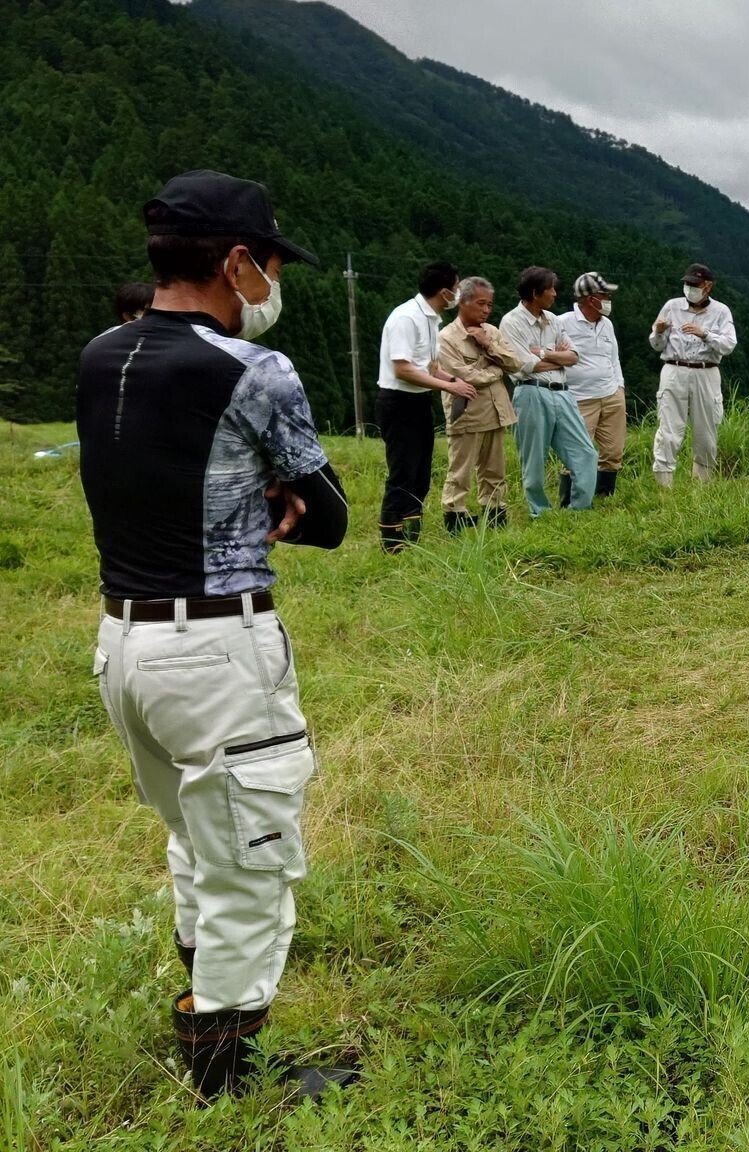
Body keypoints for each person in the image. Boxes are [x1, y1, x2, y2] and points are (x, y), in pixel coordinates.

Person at [75, 170, 355, 1100]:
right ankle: (230, 1078)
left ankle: (201, 1015)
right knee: (251, 861)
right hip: (216, 644)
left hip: (124, 643)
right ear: (236, 262)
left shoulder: (101, 354)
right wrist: (281, 496)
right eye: (271, 264)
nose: (274, 284)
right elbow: (330, 513)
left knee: (196, 839)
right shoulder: (250, 370)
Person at [376, 263, 476, 552]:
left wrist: (453, 379)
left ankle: (412, 538)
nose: (458, 294)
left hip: (419, 401)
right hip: (397, 403)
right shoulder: (406, 317)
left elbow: (428, 367)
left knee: (420, 473)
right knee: (402, 472)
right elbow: (402, 369)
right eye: (457, 289)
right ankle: (392, 544)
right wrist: (448, 387)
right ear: (444, 292)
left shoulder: (432, 319)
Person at [436, 276, 538, 531]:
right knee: (461, 468)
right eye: (481, 303)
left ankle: (494, 513)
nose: (486, 310)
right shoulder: (447, 338)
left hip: (497, 410)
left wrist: (487, 344)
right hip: (467, 412)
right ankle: (454, 514)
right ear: (463, 302)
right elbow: (463, 375)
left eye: (490, 305)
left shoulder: (491, 332)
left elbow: (515, 363)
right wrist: (496, 372)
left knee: (495, 468)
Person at [498, 266, 597, 516]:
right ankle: (539, 513)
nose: (555, 293)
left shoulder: (553, 319)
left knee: (586, 451)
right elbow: (523, 364)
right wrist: (557, 358)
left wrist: (543, 353)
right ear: (535, 292)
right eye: (550, 289)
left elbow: (574, 356)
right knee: (534, 459)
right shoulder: (511, 322)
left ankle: (579, 509)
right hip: (531, 392)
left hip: (562, 392)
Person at [648, 262, 738, 487]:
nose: (690, 288)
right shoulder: (672, 306)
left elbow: (728, 345)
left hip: (706, 372)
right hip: (674, 368)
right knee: (669, 428)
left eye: (695, 284)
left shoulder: (721, 311)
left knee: (706, 429)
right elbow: (657, 345)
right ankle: (663, 485)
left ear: (708, 286)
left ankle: (702, 484)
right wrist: (657, 332)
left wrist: (705, 334)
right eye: (687, 284)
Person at [559, 271, 626, 502]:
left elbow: (614, 358)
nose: (608, 299)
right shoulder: (562, 323)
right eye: (604, 295)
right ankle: (569, 500)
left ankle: (604, 495)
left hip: (611, 394)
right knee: (577, 451)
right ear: (590, 299)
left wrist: (620, 388)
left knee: (613, 450)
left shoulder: (606, 324)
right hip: (579, 397)